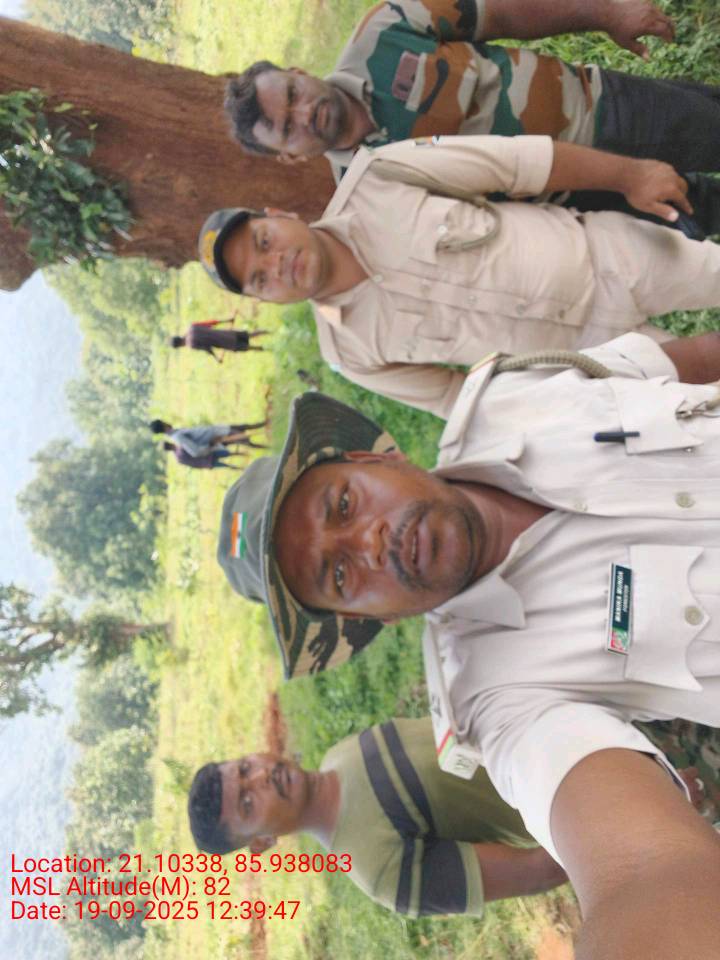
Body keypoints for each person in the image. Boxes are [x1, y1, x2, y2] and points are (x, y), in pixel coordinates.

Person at [215, 329, 720, 958]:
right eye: (338, 576)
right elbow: (642, 873)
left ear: (375, 459)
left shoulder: (513, 396)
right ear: (365, 619)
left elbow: (697, 361)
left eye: (342, 504)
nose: (368, 542)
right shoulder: (497, 703)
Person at [199, 134, 720, 417]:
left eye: (263, 242)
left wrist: (630, 176)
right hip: (595, 365)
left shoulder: (379, 177)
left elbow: (517, 163)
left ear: (278, 215)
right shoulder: (350, 353)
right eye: (260, 279)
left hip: (611, 260)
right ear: (264, 301)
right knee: (709, 399)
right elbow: (458, 400)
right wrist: (560, 413)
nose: (276, 263)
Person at [225, 0, 720, 233]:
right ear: (289, 157)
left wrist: (605, 13)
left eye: (293, 93)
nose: (305, 111)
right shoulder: (369, 198)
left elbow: (501, 13)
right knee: (704, 212)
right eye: (287, 127)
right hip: (585, 205)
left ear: (298, 73)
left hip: (598, 111)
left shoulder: (383, 31)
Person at [188, 716, 571, 916]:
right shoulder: (380, 870)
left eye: (245, 767)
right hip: (574, 786)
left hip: (559, 716)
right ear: (261, 842)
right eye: (248, 803)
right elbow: (537, 872)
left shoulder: (339, 755)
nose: (261, 777)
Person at [149, 419, 269, 457]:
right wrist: (211, 444)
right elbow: (195, 452)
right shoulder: (177, 437)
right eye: (164, 422)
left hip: (215, 430)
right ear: (163, 425)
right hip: (217, 437)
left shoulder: (176, 432)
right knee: (243, 438)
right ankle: (269, 445)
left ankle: (266, 423)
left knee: (242, 428)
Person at [170, 316, 269, 361]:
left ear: (179, 346)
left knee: (248, 347)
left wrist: (217, 359)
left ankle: (267, 348)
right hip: (227, 333)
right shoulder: (192, 327)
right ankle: (269, 332)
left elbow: (208, 348)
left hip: (227, 344)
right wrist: (228, 320)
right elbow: (211, 323)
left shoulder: (191, 344)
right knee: (249, 335)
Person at [163, 442, 247, 471]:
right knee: (229, 454)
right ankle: (246, 454)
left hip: (207, 463)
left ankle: (243, 468)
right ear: (170, 443)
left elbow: (193, 465)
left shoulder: (178, 459)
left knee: (227, 466)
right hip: (209, 454)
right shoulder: (182, 447)